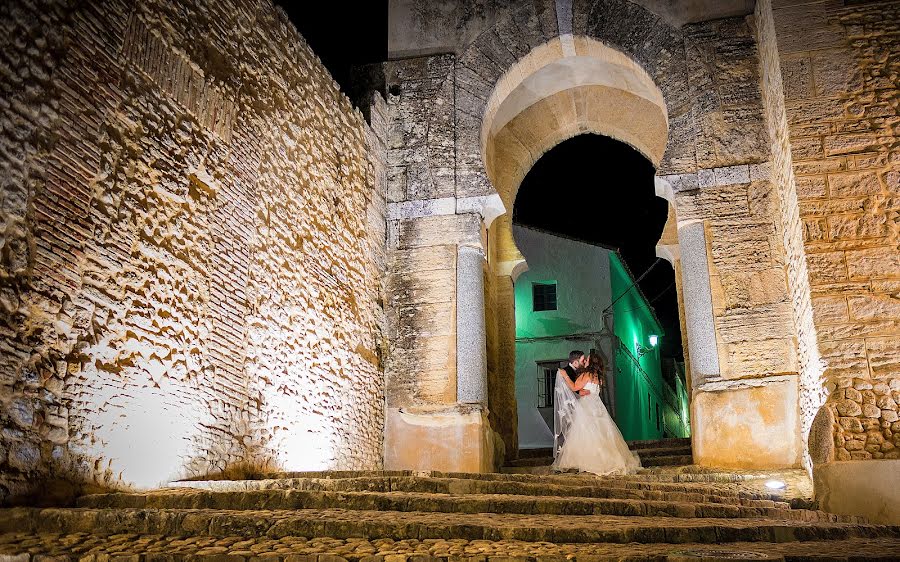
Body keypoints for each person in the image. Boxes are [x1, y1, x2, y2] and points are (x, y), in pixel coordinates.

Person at [551, 351, 641, 475]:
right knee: (600, 433)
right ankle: (606, 459)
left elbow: (574, 387)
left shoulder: (586, 374)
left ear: (591, 362)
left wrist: (564, 375)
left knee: (586, 433)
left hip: (587, 406)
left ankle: (588, 461)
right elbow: (588, 390)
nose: (585, 361)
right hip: (597, 406)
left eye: (587, 359)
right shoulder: (597, 376)